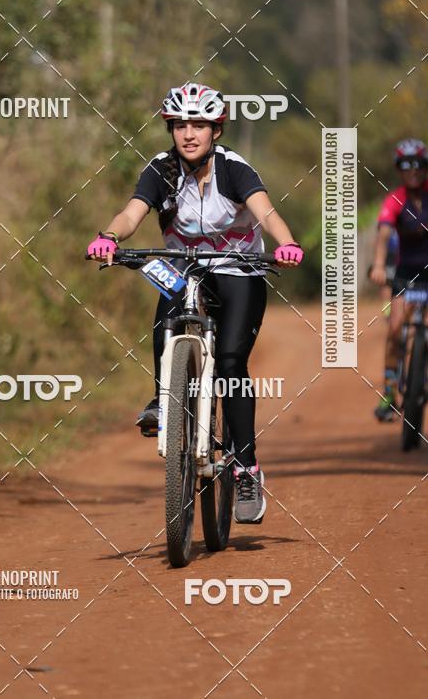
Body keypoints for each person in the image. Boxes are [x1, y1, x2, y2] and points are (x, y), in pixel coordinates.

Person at [86, 83, 303, 524]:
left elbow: (266, 213)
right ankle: (162, 399)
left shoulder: (235, 170)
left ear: (216, 130)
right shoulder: (160, 170)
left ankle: (246, 468)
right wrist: (108, 238)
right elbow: (132, 213)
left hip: (239, 269)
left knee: (230, 363)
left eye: (199, 124)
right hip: (184, 266)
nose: (189, 133)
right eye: (180, 124)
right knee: (167, 296)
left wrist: (286, 243)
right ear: (171, 129)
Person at [369, 138, 428, 422]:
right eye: (406, 166)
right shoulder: (395, 199)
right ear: (399, 170)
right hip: (406, 274)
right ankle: (390, 393)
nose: (413, 171)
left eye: (418, 165)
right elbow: (383, 234)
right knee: (395, 330)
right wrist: (379, 266)